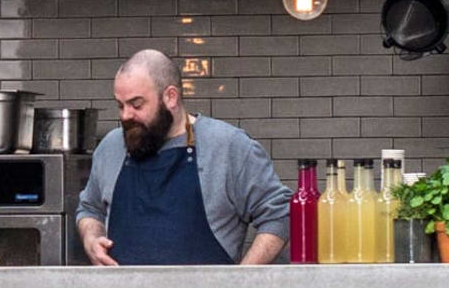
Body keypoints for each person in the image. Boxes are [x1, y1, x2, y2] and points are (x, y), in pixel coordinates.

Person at [75, 48, 289, 268]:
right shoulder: (111, 147)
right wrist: (91, 238)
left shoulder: (228, 146)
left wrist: (240, 281)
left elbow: (280, 214)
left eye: (137, 105)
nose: (125, 115)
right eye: (121, 105)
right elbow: (90, 209)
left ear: (170, 97)